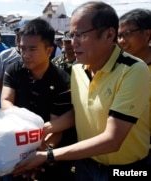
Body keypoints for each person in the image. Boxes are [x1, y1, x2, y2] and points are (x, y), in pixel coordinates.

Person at [11, 2, 151, 181]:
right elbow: (80, 112)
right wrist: (41, 131)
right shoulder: (78, 69)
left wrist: (48, 155)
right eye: (71, 35)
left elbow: (113, 139)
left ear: (109, 34)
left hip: (126, 170)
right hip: (85, 165)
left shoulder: (133, 70)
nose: (72, 42)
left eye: (80, 35)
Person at [1, 18, 76, 181]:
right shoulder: (14, 70)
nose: (25, 54)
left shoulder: (62, 81)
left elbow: (57, 128)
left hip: (47, 151)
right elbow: (6, 101)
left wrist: (42, 154)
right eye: (22, 48)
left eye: (32, 49)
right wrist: (28, 125)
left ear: (49, 50)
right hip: (15, 144)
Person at [118, 8, 151, 166]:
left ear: (147, 34)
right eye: (119, 35)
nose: (122, 41)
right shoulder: (116, 67)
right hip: (124, 148)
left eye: (128, 34)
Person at [0, 27, 22, 91]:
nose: (18, 37)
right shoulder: (4, 55)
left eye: (22, 35)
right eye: (17, 35)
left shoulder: (35, 56)